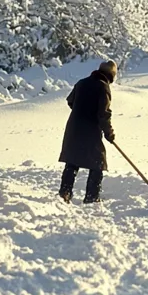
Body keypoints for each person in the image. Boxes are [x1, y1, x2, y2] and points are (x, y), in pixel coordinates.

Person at [58, 60, 117, 204]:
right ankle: (92, 197)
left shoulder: (81, 83)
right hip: (90, 130)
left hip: (74, 127)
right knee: (98, 163)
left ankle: (65, 193)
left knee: (72, 160)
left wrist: (81, 110)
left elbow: (70, 101)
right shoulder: (103, 87)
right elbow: (103, 114)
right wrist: (109, 133)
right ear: (111, 75)